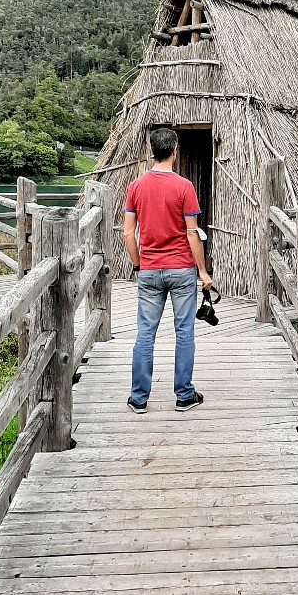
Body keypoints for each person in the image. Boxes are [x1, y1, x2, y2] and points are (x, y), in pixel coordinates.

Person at [123, 127, 213, 414]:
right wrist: (202, 271)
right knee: (184, 332)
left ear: (153, 150)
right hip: (181, 270)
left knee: (145, 334)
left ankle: (139, 398)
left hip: (149, 270)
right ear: (175, 150)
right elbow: (192, 234)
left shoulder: (135, 187)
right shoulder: (184, 187)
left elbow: (127, 234)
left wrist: (139, 264)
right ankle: (184, 395)